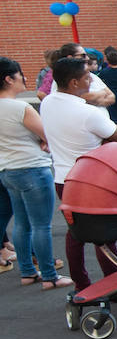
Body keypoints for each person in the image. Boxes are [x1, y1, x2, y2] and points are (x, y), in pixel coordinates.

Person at [39, 56, 117, 289]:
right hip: (90, 181)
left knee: (75, 233)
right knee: (104, 234)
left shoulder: (47, 102)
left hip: (62, 180)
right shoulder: (88, 112)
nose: (91, 81)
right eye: (87, 78)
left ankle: (81, 284)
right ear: (74, 82)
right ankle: (113, 279)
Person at [0, 56, 70, 288]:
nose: (25, 78)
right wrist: (42, 140)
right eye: (20, 74)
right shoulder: (22, 108)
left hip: (8, 171)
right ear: (9, 79)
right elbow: (48, 134)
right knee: (41, 225)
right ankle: (49, 275)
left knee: (21, 224)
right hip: (33, 168)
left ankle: (28, 272)